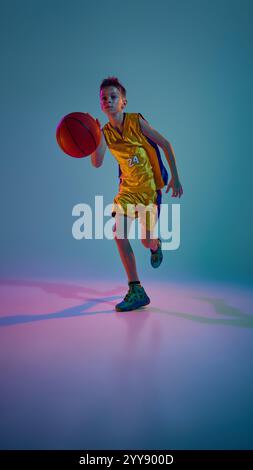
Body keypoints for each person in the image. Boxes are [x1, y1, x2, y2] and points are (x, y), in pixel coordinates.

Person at [91, 76, 183, 312]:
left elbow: (165, 143)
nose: (108, 101)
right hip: (127, 192)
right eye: (104, 98)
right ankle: (136, 289)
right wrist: (91, 137)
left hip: (149, 191)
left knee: (145, 240)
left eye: (113, 97)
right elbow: (97, 162)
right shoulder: (103, 133)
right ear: (100, 104)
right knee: (118, 233)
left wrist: (175, 177)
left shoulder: (135, 121)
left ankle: (155, 245)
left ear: (124, 102)